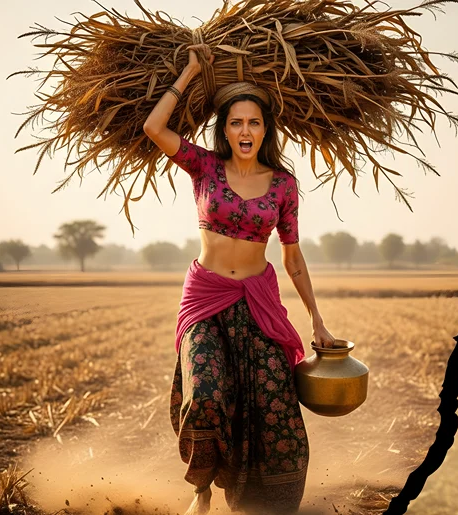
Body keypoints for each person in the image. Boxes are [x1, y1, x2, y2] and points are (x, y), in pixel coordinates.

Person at [143, 44, 338, 515]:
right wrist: (190, 71)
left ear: (265, 129)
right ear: (224, 130)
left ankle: (263, 503)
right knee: (205, 395)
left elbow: (292, 257)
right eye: (235, 123)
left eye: (253, 122)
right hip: (205, 298)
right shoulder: (204, 165)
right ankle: (202, 489)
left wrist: (317, 319)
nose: (245, 131)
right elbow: (154, 128)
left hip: (257, 301)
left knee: (273, 403)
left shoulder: (284, 184)